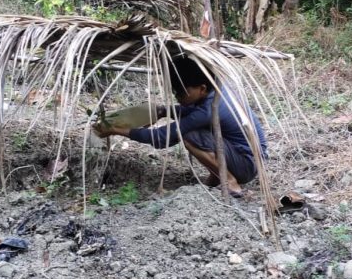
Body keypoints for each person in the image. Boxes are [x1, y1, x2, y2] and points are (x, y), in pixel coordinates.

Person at [92, 56, 267, 197]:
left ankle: (230, 181)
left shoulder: (208, 110)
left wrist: (115, 130)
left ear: (201, 88)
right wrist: (161, 111)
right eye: (175, 92)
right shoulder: (216, 90)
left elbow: (162, 138)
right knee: (198, 131)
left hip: (248, 164)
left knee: (190, 136)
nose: (178, 97)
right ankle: (217, 175)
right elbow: (187, 109)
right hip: (250, 156)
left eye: (181, 93)